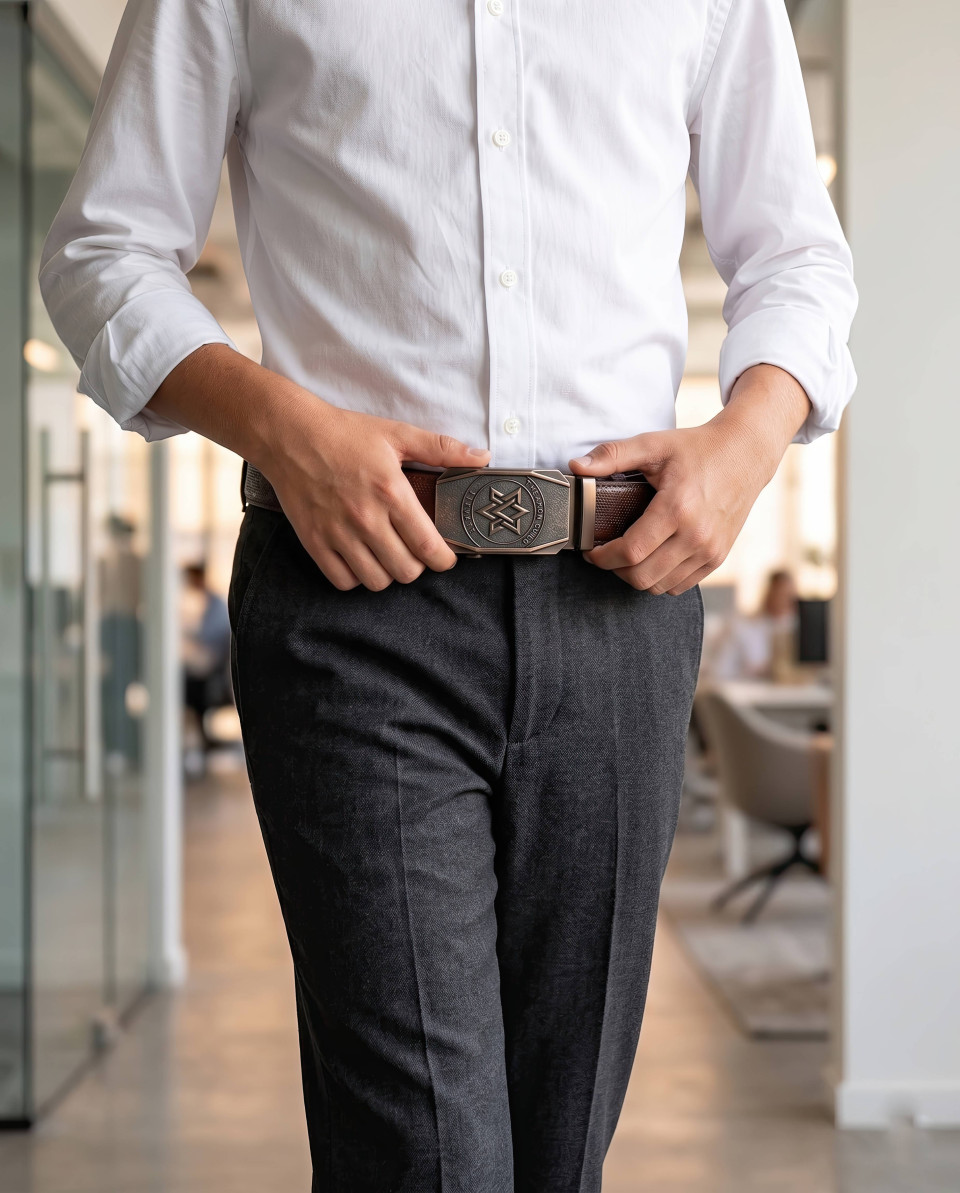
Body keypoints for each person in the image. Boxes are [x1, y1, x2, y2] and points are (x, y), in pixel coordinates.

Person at [37, 0, 857, 1188]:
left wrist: (748, 437)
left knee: (561, 1142)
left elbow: (795, 253)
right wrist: (283, 424)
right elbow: (101, 250)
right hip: (351, 605)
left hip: (625, 603)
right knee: (423, 1151)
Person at [711, 568, 800, 681]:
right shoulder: (741, 627)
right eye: (780, 594)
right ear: (768, 593)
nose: (783, 600)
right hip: (748, 690)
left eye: (788, 596)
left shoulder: (798, 630)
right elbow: (720, 671)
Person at [180, 562, 233, 753]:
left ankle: (198, 735)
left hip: (213, 668)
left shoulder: (215, 604)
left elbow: (209, 636)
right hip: (211, 663)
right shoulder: (209, 602)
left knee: (186, 683)